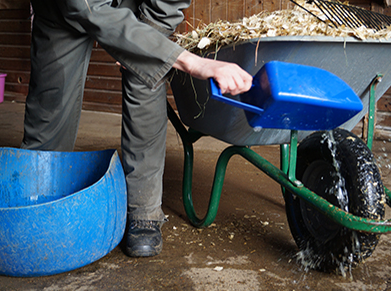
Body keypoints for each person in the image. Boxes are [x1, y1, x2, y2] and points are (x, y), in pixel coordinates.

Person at [21, 0, 252, 258]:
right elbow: (85, 8)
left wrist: (143, 45)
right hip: (64, 8)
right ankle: (37, 197)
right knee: (51, 97)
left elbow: (167, 5)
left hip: (142, 3)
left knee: (147, 75)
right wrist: (189, 61)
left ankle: (143, 210)